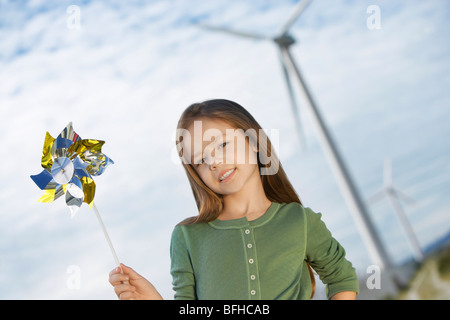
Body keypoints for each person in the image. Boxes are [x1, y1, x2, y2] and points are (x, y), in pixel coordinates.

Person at [109, 99, 359, 300]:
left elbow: (342, 278)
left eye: (223, 144)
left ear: (255, 142)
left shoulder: (299, 220)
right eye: (200, 160)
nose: (214, 162)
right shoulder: (187, 236)